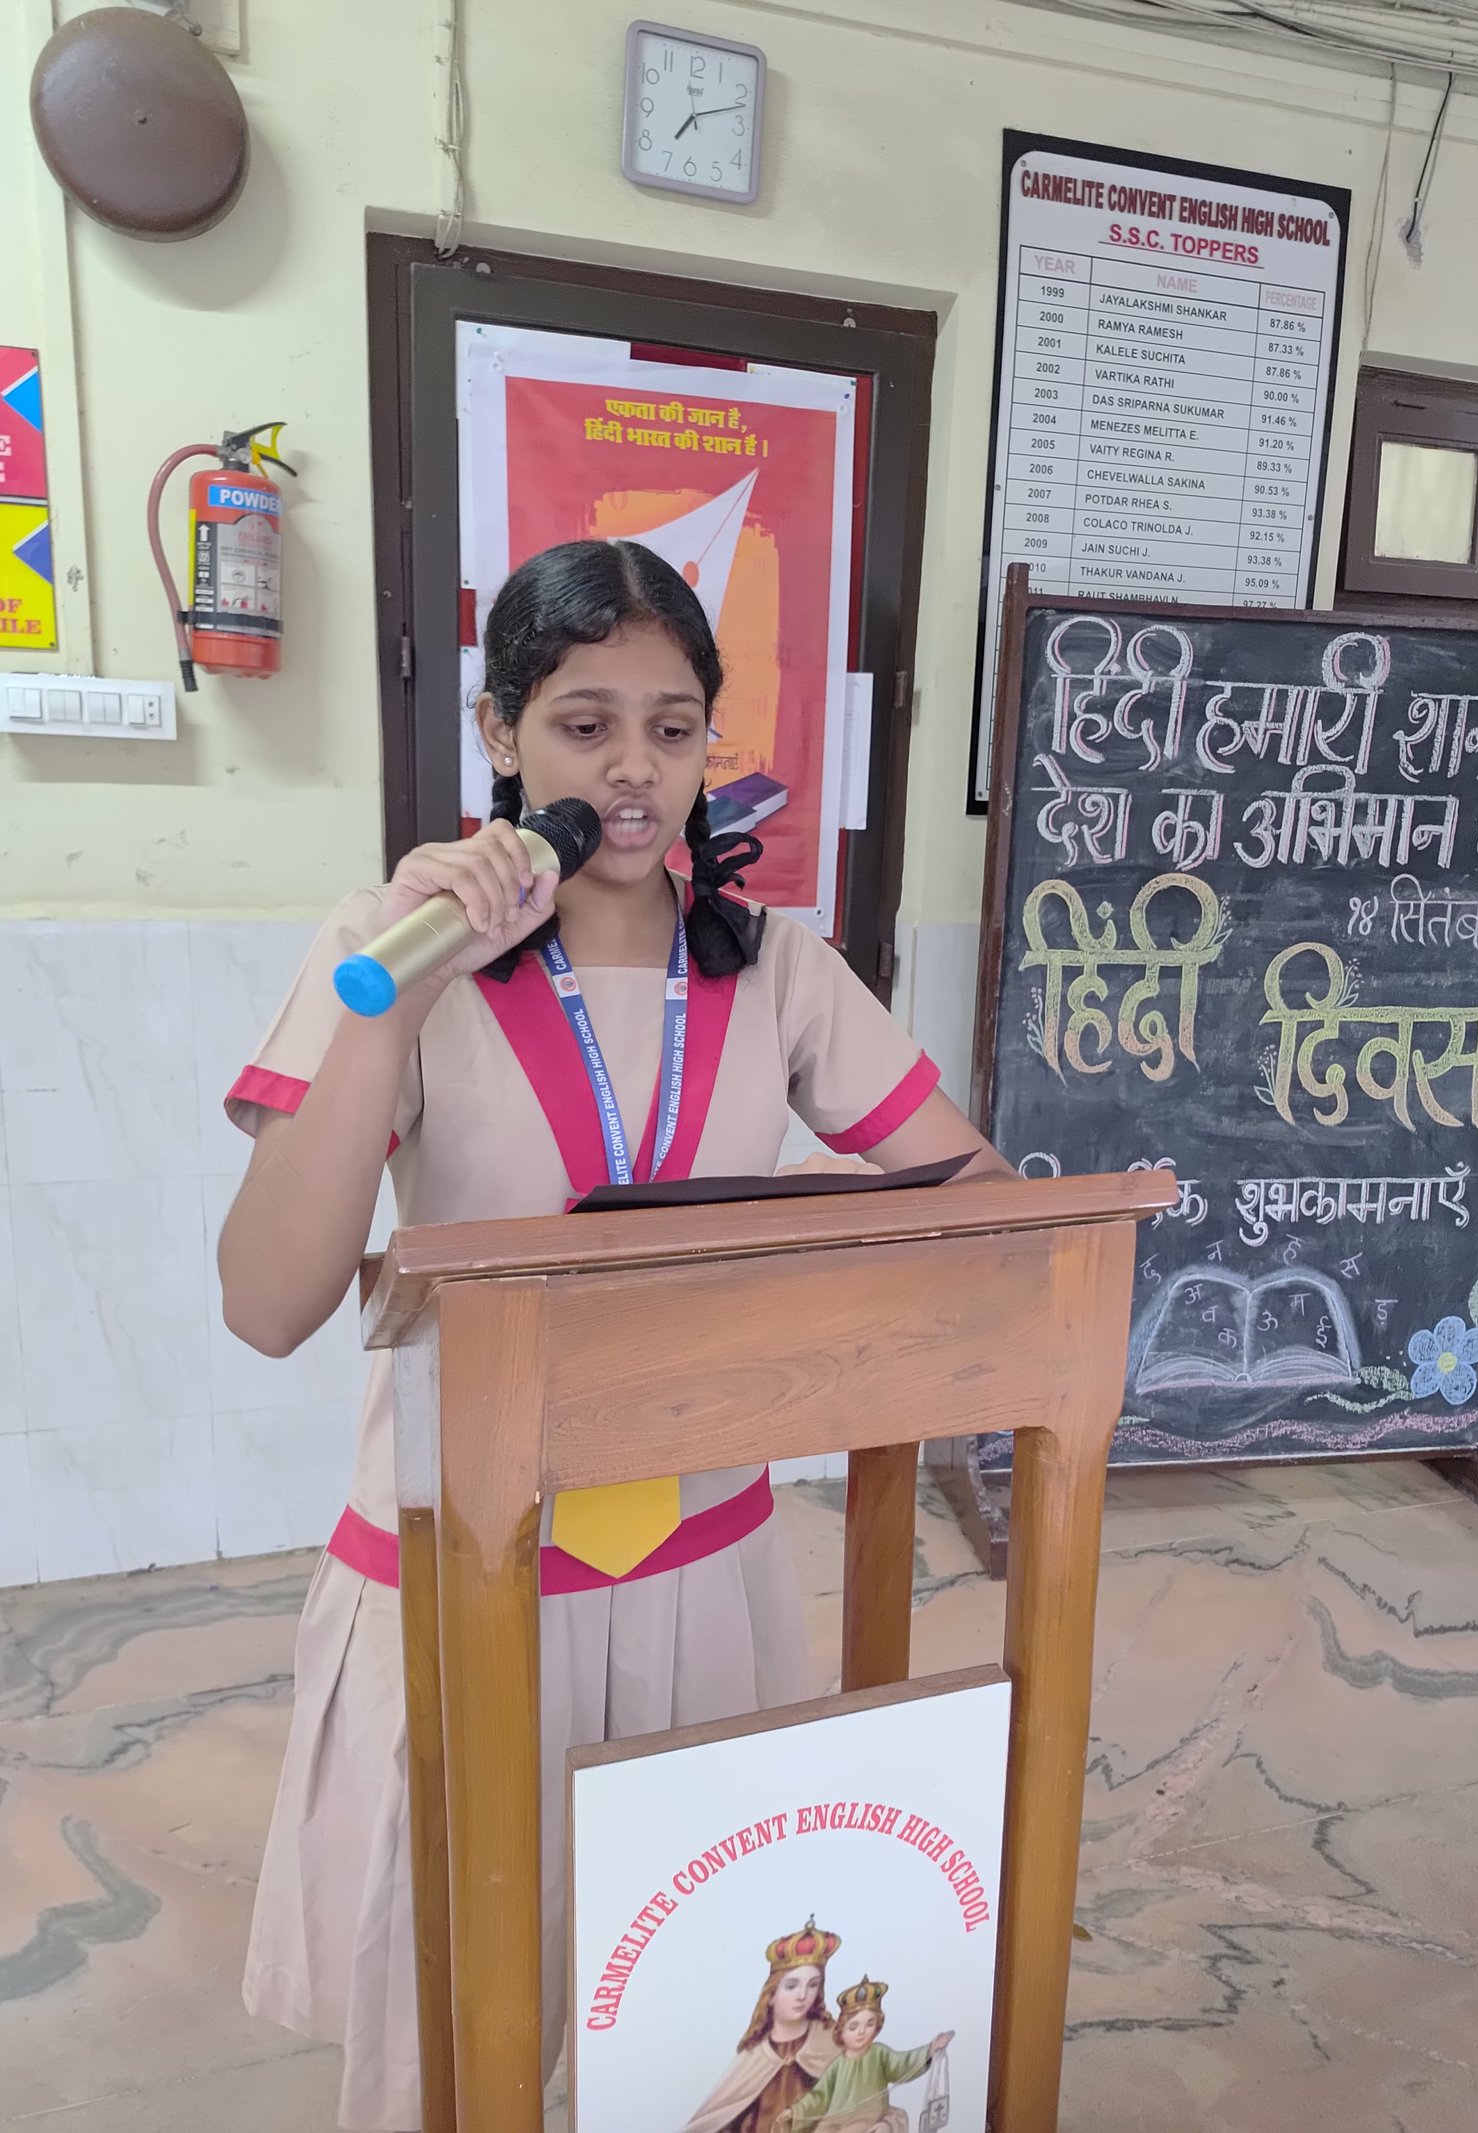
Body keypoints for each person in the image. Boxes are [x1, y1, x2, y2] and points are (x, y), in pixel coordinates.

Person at [218, 537, 1011, 2131]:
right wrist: (393, 996)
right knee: (459, 2025)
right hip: (469, 1570)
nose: (634, 771)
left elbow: (976, 1202)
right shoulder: (392, 950)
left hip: (703, 1574)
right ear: (502, 735)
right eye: (584, 725)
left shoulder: (776, 967)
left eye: (672, 725)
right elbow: (268, 1301)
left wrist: (809, 1242)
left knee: (693, 2018)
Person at [680, 1917, 842, 2132]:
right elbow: (717, 2118)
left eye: (813, 1985)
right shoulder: (755, 2054)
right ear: (771, 1994)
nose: (803, 1995)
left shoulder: (831, 2039)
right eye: (791, 1986)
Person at [778, 1979, 952, 2133]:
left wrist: (929, 2049)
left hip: (866, 2119)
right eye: (853, 2027)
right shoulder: (838, 2065)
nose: (861, 2032)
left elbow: (902, 2064)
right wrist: (795, 2112)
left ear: (877, 2026)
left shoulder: (879, 2053)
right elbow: (819, 2096)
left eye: (869, 2024)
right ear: (841, 2032)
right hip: (833, 2123)